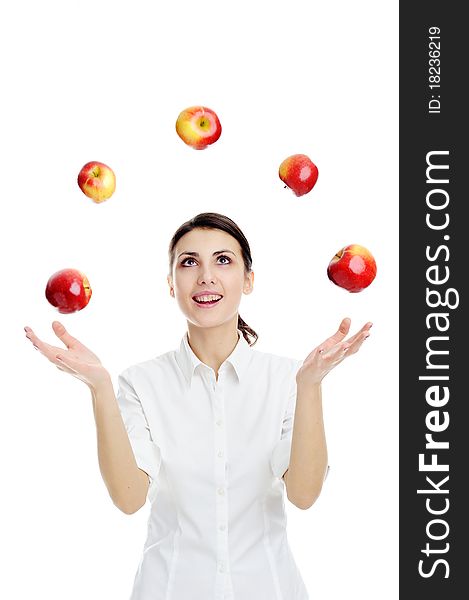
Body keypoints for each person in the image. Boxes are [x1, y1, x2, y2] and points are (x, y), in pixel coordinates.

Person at [24, 212, 372, 600]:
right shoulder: (141, 383)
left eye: (223, 260)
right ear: (171, 284)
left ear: (249, 279)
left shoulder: (289, 379)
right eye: (189, 262)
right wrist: (99, 388)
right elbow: (129, 498)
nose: (206, 276)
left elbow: (304, 495)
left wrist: (310, 386)